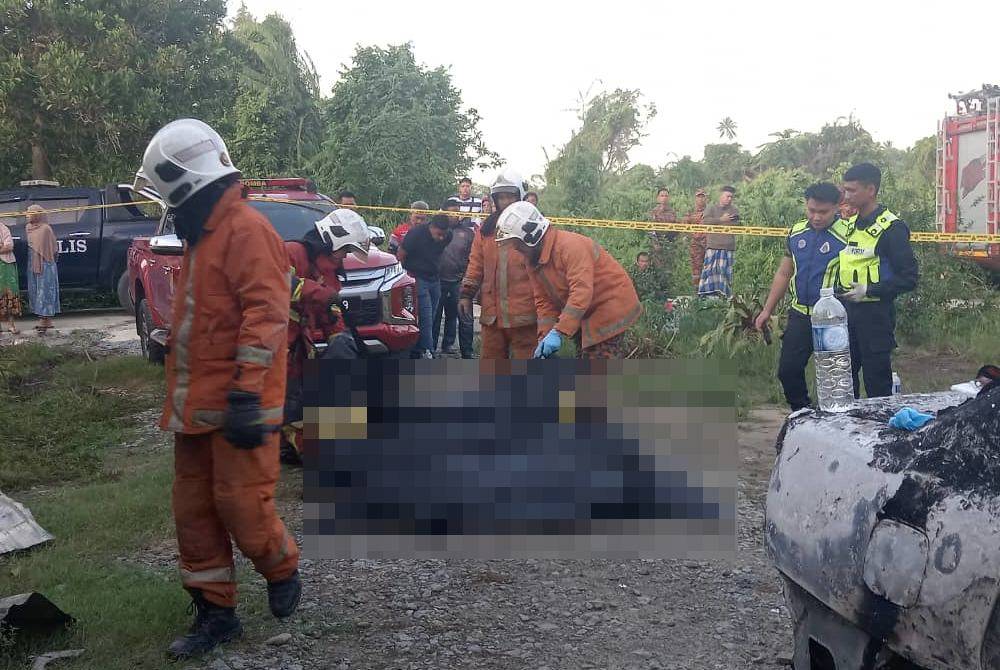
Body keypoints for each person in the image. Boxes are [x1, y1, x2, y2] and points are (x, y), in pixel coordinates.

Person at [138, 118, 300, 660]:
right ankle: (215, 613)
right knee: (195, 512)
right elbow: (204, 317)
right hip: (198, 407)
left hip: (239, 403)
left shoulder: (245, 230)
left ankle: (280, 567)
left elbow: (267, 315)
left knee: (241, 505)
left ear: (181, 181)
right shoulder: (203, 232)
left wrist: (246, 394)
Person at [496, 201, 643, 359]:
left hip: (610, 306)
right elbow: (544, 301)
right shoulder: (532, 260)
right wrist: (544, 338)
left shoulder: (570, 247)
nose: (516, 249)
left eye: (517, 244)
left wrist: (559, 331)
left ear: (531, 234)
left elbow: (581, 291)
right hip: (586, 311)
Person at [281, 208, 371, 462]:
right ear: (332, 239)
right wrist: (322, 294)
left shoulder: (328, 268)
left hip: (298, 345)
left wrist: (339, 341)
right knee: (286, 404)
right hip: (273, 343)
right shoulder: (291, 253)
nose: (345, 257)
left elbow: (331, 313)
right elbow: (275, 284)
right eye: (345, 250)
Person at [754, 183, 851, 411]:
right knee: (787, 371)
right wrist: (767, 310)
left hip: (832, 320)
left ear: (837, 207)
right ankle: (802, 414)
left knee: (834, 378)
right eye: (811, 210)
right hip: (800, 315)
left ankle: (836, 421)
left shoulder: (848, 235)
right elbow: (784, 273)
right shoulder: (796, 232)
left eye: (823, 212)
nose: (816, 217)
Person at [838, 163, 918, 399]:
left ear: (870, 189)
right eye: (846, 190)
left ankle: (879, 429)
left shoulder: (892, 228)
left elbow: (909, 278)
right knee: (845, 378)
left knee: (876, 382)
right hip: (846, 312)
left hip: (876, 315)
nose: (847, 195)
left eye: (852, 190)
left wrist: (870, 289)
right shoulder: (850, 225)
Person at [459, 169, 538, 359]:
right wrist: (466, 295)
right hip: (492, 315)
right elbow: (476, 264)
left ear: (519, 197)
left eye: (509, 197)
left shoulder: (533, 226)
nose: (505, 202)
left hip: (524, 315)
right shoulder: (486, 230)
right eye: (501, 197)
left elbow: (544, 268)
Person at [398, 214, 453, 359]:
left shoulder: (448, 236)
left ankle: (416, 350)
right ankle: (428, 351)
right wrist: (405, 276)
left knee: (433, 316)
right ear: (431, 227)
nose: (441, 238)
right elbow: (401, 254)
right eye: (439, 234)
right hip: (417, 277)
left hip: (434, 278)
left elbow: (438, 253)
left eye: (444, 234)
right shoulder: (415, 234)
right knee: (426, 317)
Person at [434, 199, 477, 358]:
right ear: (443, 212)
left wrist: (468, 280)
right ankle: (430, 349)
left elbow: (475, 258)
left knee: (464, 317)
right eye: (452, 212)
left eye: (458, 212)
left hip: (460, 281)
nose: (455, 215)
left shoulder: (468, 233)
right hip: (437, 281)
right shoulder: (434, 230)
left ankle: (466, 351)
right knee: (434, 316)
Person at [698, 186, 740, 298]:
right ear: (721, 196)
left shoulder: (734, 210)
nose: (729, 199)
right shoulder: (711, 208)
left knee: (724, 274)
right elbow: (705, 222)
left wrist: (724, 222)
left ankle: (724, 297)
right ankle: (706, 297)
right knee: (709, 273)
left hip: (728, 247)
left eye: (731, 197)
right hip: (713, 246)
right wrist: (721, 220)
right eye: (727, 196)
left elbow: (736, 224)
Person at [24, 204, 59, 333]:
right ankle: (43, 319)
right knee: (36, 290)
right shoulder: (28, 228)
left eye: (29, 213)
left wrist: (47, 261)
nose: (27, 215)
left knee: (45, 291)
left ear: (37, 214)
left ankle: (46, 320)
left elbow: (52, 249)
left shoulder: (46, 229)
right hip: (33, 262)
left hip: (45, 264)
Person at [0, 217, 21, 333]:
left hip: (5, 265)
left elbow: (9, 246)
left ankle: (11, 325)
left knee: (9, 294)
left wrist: (2, 246)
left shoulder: (3, 228)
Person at [685, 188, 709, 289]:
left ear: (706, 198)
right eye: (699, 197)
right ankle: (697, 291)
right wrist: (694, 235)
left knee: (709, 268)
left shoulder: (710, 212)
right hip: (696, 245)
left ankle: (708, 291)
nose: (701, 199)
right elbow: (684, 227)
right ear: (695, 199)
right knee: (696, 269)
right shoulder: (690, 213)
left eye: (703, 197)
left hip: (709, 244)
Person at [647, 187, 679, 258]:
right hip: (657, 243)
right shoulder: (653, 212)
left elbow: (677, 228)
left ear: (669, 198)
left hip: (670, 244)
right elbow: (650, 229)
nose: (664, 198)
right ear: (658, 198)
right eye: (662, 196)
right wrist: (655, 243)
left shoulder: (673, 212)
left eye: (666, 196)